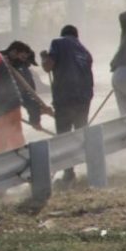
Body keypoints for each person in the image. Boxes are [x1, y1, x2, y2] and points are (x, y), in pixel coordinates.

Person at [41, 25, 94, 183]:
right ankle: (93, 167)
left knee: (64, 135)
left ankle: (69, 172)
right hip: (84, 96)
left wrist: (44, 56)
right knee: (81, 132)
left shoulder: (58, 42)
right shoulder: (85, 52)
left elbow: (47, 66)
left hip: (65, 96)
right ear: (76, 37)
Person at [1, 41, 51, 133]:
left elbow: (30, 87)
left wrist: (38, 106)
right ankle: (36, 117)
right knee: (31, 105)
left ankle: (37, 116)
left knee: (33, 105)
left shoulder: (21, 65)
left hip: (21, 92)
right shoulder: (0, 57)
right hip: (7, 95)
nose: (25, 61)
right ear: (15, 52)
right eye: (23, 57)